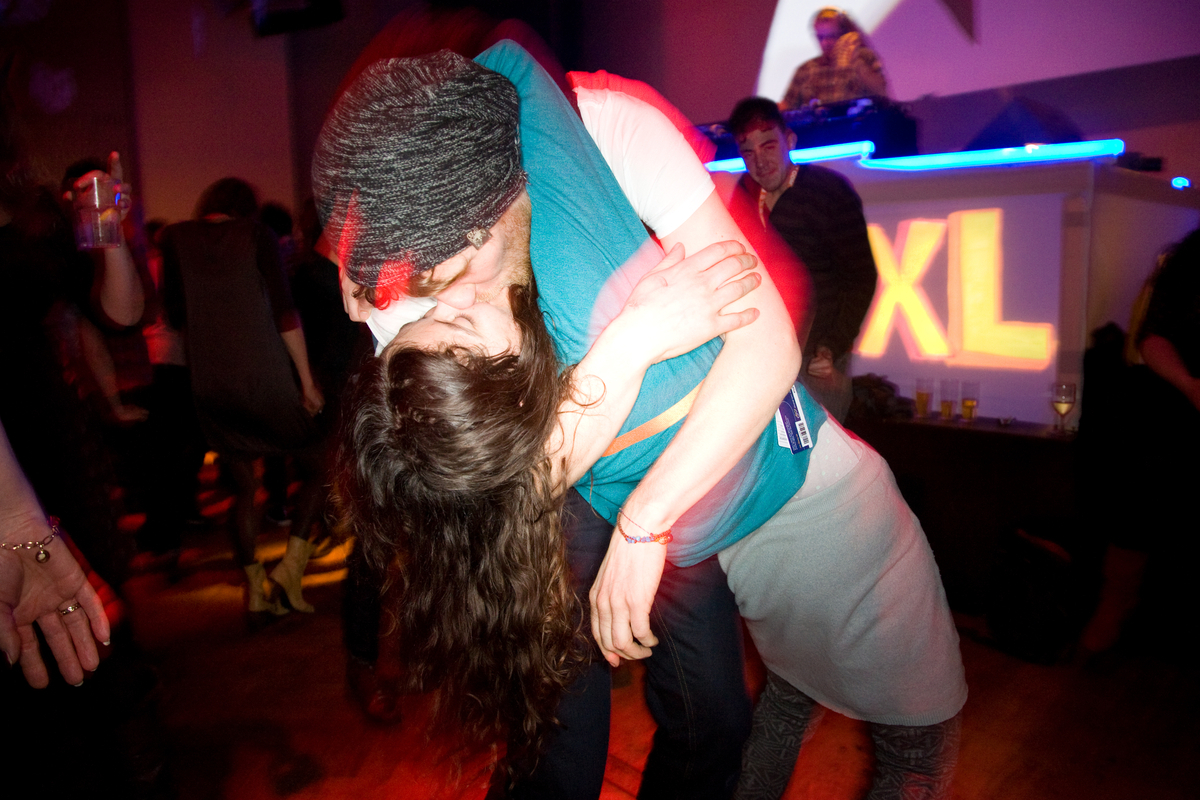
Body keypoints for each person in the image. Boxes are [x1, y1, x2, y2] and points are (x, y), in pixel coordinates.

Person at [317, 42, 966, 799]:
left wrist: (643, 520)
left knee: (761, 718)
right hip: (699, 512)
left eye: (453, 276)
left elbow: (766, 343)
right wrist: (632, 345)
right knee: (626, 728)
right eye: (434, 293)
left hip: (774, 498)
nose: (451, 298)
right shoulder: (428, 271)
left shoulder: (609, 148)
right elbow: (487, 483)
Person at [160, 178, 325, 617]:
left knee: (244, 487)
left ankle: (254, 588)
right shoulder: (256, 235)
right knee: (318, 468)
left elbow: (175, 315)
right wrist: (306, 382)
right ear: (246, 208)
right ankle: (290, 569)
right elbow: (285, 312)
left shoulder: (175, 240)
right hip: (263, 377)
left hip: (211, 383)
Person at [729, 97, 877, 421]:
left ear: (790, 140)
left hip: (816, 362)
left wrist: (832, 346)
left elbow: (860, 277)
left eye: (768, 146)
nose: (760, 161)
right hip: (763, 360)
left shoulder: (828, 191)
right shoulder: (743, 196)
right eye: (748, 152)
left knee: (820, 449)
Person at [780, 6, 888, 110]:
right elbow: (786, 107)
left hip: (859, 122)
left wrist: (857, 64)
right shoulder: (805, 69)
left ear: (843, 34)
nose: (825, 43)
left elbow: (882, 92)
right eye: (820, 38)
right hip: (819, 123)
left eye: (831, 36)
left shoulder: (864, 57)